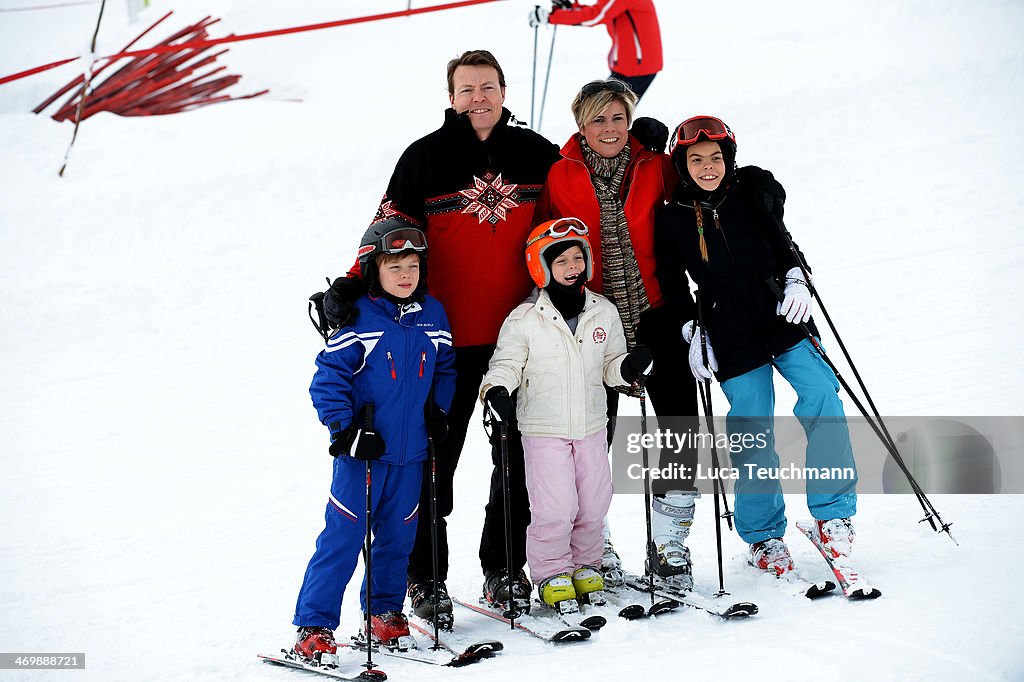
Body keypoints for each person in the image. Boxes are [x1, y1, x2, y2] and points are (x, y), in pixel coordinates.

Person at [322, 50, 563, 625]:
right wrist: (351, 283)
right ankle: (425, 577)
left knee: (517, 461)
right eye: (466, 88)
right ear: (451, 96)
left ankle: (504, 568)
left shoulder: (536, 153)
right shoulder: (424, 158)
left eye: (487, 86)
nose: (478, 97)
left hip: (518, 338)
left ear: (504, 90)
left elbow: (572, 212)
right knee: (434, 462)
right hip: (442, 343)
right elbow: (387, 230)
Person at [653, 115, 858, 576]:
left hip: (781, 309)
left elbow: (783, 240)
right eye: (697, 159)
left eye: (716, 157)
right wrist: (692, 330)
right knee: (751, 421)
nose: (709, 166)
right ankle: (763, 535)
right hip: (727, 325)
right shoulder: (672, 217)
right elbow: (670, 281)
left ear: (730, 157)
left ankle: (834, 514)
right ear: (682, 165)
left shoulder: (751, 191)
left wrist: (796, 277)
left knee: (822, 394)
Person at [533, 78, 699, 593]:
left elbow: (701, 194)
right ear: (580, 124)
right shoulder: (561, 174)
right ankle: (592, 543)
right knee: (589, 435)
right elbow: (544, 243)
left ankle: (670, 539)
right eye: (598, 119)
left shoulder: (657, 166)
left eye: (618, 117)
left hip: (656, 309)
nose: (609, 129)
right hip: (592, 320)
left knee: (678, 423)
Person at [292, 221, 456, 660]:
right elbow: (327, 380)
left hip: (412, 453)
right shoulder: (359, 318)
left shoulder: (433, 314)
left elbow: (445, 368)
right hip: (363, 453)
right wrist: (344, 432)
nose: (406, 275)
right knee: (343, 538)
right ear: (373, 271)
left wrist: (439, 412)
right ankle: (314, 625)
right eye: (394, 266)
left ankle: (384, 614)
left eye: (413, 265)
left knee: (398, 541)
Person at [480, 218, 653, 610]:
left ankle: (586, 564)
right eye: (561, 261)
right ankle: (553, 572)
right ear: (540, 266)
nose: (573, 266)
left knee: (594, 501)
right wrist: (497, 390)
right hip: (543, 430)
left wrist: (628, 366)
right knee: (555, 507)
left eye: (578, 257)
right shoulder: (524, 319)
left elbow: (610, 364)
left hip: (592, 425)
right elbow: (506, 363)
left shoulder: (603, 311)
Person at [530, 0, 663, 100]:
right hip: (629, 65)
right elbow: (602, 10)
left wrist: (551, 17)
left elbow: (596, 15)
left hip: (637, 68)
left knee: (604, 113)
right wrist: (571, 9)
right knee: (603, 112)